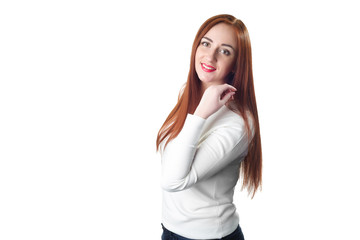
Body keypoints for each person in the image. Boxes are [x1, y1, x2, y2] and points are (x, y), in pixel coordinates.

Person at [156, 14, 262, 240]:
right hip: (170, 231)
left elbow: (173, 181)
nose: (210, 56)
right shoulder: (190, 92)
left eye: (225, 51)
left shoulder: (239, 123)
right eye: (206, 43)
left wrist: (202, 113)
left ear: (236, 63)